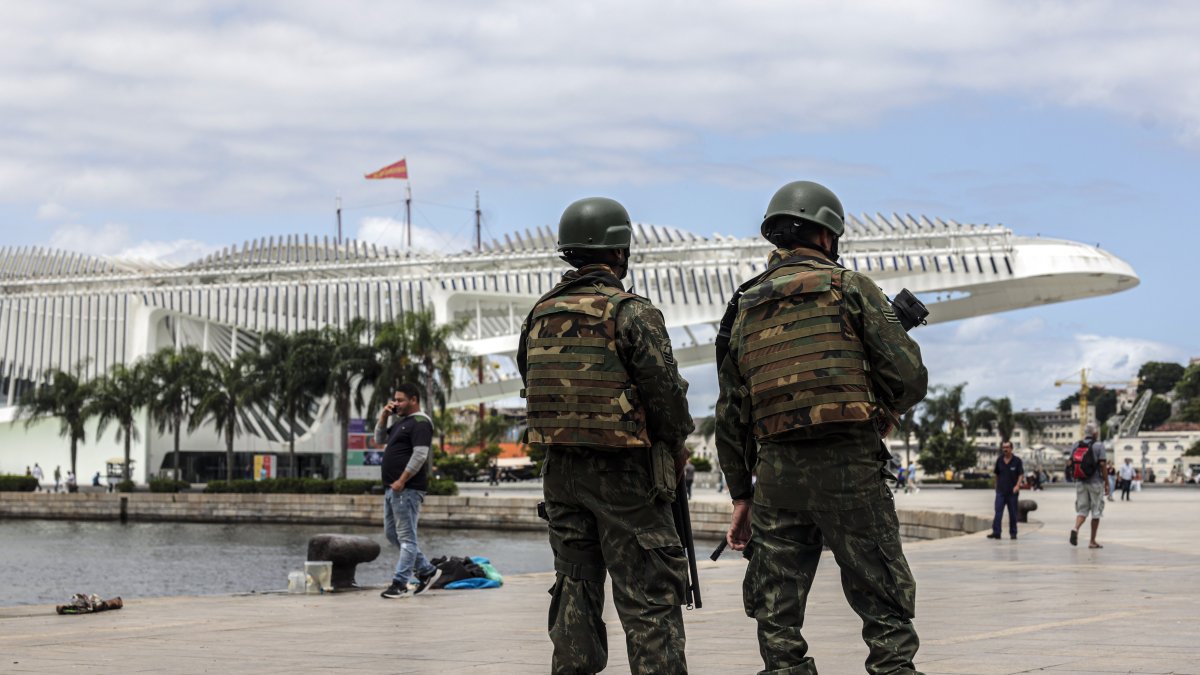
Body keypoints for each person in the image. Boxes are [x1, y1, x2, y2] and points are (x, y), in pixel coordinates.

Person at [716, 180, 929, 675]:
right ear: (827, 236)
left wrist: (741, 496)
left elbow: (731, 415)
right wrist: (878, 404)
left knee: (777, 612)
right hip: (851, 468)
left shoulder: (743, 307)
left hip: (776, 477)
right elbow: (910, 378)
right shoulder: (850, 288)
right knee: (883, 600)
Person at [518, 196, 694, 674]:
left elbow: (529, 384)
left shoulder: (539, 315)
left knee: (574, 586)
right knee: (648, 596)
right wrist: (676, 449)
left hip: (560, 475)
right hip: (625, 478)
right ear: (620, 251)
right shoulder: (630, 312)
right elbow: (667, 400)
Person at [375, 383, 442, 599]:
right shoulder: (401, 423)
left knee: (406, 537)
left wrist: (402, 480)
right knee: (392, 534)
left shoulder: (421, 423)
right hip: (393, 489)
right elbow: (378, 440)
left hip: (407, 488)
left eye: (400, 400)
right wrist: (384, 417)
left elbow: (420, 455)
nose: (396, 404)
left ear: (414, 400)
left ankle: (400, 583)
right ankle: (427, 570)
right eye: (394, 400)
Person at [1070, 423, 1108, 549]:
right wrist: (1106, 482)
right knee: (1096, 512)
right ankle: (1092, 541)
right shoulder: (1099, 445)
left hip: (1080, 481)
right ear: (1095, 433)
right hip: (1095, 482)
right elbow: (1102, 465)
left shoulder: (1076, 444)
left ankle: (1075, 528)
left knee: (1082, 510)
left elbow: (1070, 462)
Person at [987, 441, 1024, 540]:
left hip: (1012, 492)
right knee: (998, 512)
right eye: (1003, 447)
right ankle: (996, 532)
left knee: (1012, 513)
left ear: (1011, 448)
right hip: (1001, 492)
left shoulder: (1017, 461)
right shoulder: (999, 460)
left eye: (1007, 447)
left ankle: (1013, 533)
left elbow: (1021, 474)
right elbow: (997, 474)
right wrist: (996, 486)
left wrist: (1017, 486)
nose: (1005, 449)